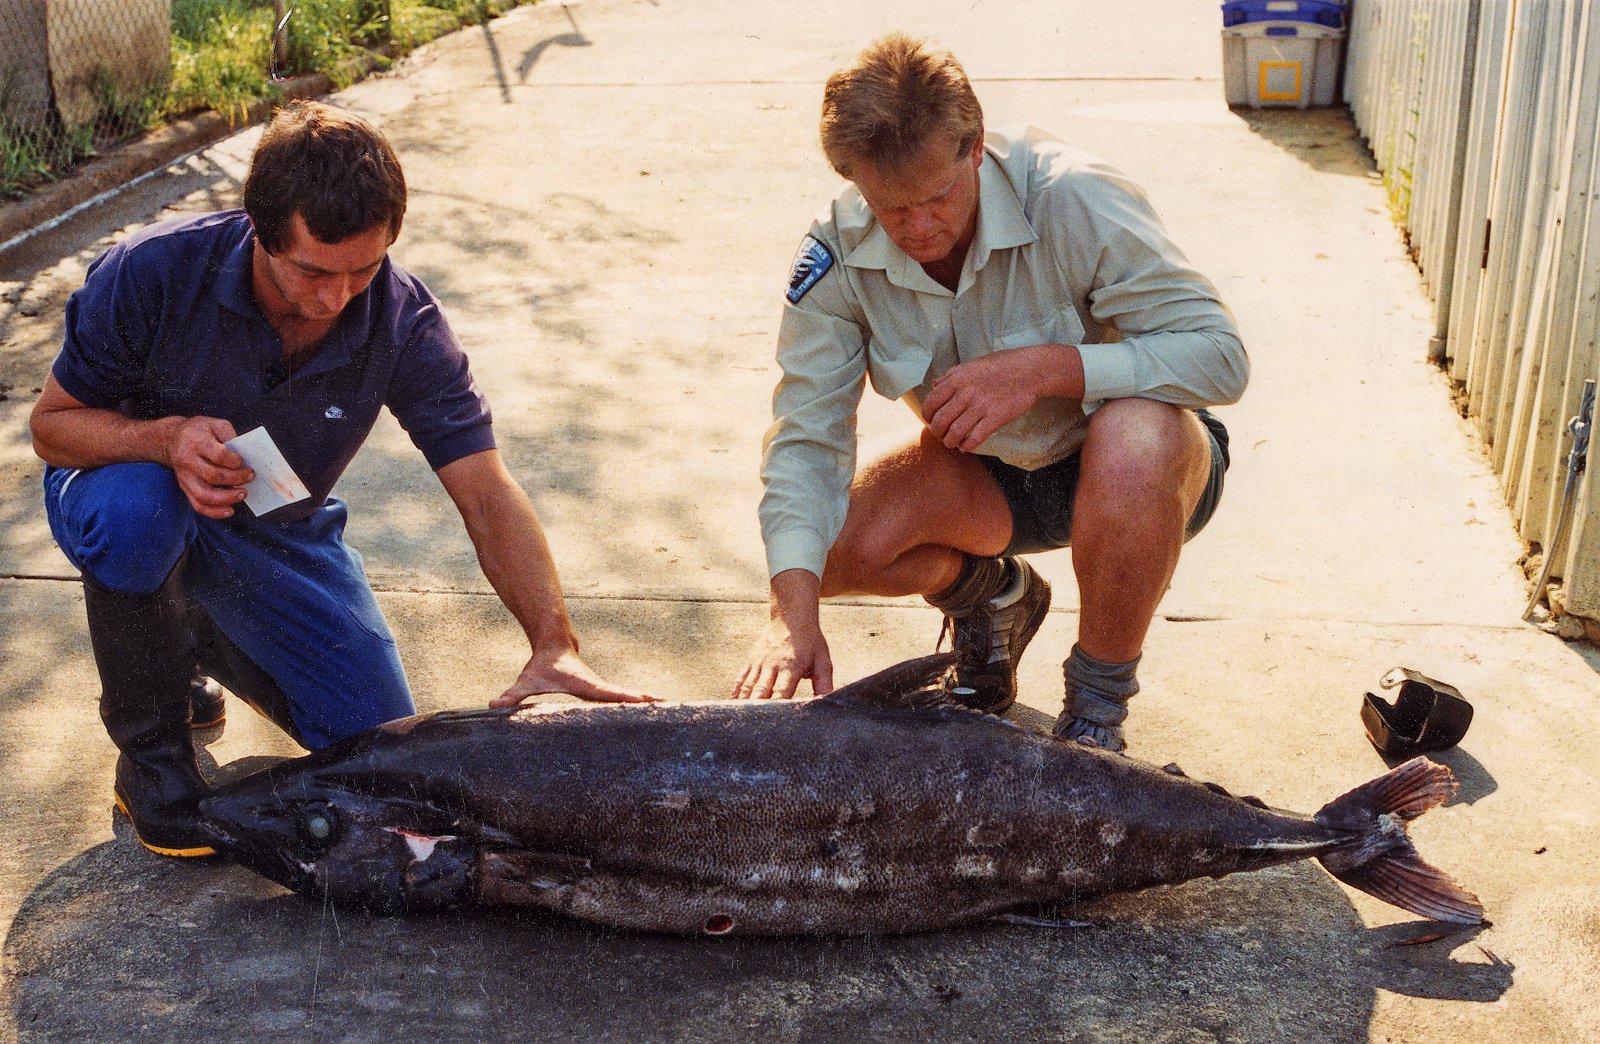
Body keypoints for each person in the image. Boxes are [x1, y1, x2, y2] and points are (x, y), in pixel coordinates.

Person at [30, 101, 651, 859]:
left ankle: (181, 632)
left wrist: (554, 641)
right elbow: (51, 428)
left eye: (364, 268)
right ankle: (152, 758)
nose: (336, 297)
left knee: (379, 752)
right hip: (118, 487)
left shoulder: (401, 318)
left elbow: (485, 491)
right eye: (314, 271)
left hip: (271, 522)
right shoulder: (152, 269)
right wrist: (163, 440)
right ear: (260, 231)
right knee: (140, 510)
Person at [733, 35, 1247, 751]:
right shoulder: (835, 254)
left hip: (1149, 474)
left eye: (938, 196)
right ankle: (995, 600)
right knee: (820, 554)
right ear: (855, 181)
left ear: (974, 147)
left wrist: (1048, 368)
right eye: (890, 207)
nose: (919, 228)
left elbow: (1222, 359)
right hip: (991, 481)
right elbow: (804, 436)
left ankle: (1095, 717)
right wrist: (790, 617)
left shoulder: (1076, 195)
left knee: (1137, 429)